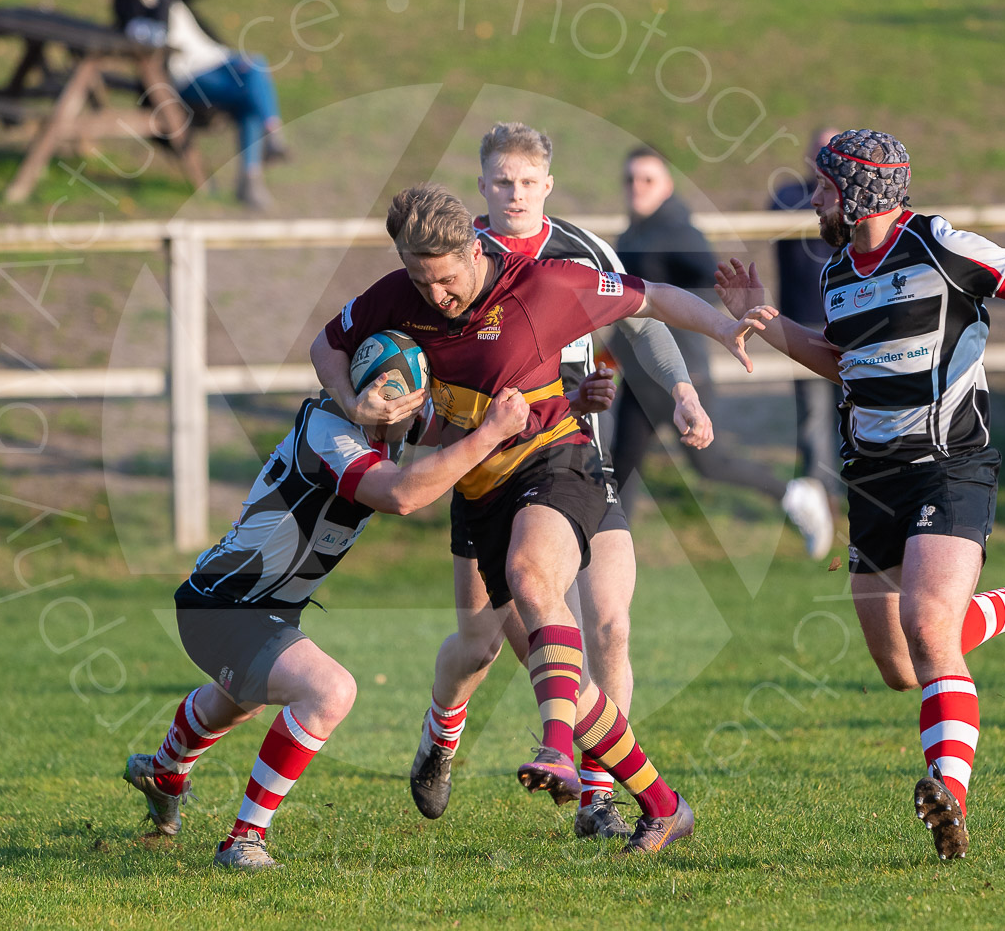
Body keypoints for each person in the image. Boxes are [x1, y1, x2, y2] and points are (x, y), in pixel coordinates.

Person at [310, 182, 772, 852]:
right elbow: (327, 344)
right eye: (420, 280)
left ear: (475, 252)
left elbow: (651, 297)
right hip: (480, 489)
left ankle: (557, 752)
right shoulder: (400, 294)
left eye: (445, 280)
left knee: (534, 579)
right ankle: (665, 806)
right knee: (548, 666)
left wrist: (725, 328)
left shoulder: (545, 286)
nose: (435, 296)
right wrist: (355, 403)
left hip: (558, 460)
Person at [715, 128, 1005, 860]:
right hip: (872, 479)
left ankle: (949, 797)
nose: (814, 200)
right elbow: (842, 362)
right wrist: (766, 317)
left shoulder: (941, 244)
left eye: (825, 187)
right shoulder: (838, 273)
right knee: (902, 667)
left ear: (860, 194)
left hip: (949, 463)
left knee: (930, 626)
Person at [407, 123, 712, 840]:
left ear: (548, 184)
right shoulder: (455, 263)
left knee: (609, 626)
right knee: (480, 646)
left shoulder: (582, 252)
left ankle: (597, 797)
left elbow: (642, 320)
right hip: (487, 477)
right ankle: (441, 735)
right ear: (482, 185)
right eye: (502, 182)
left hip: (574, 462)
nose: (515, 194)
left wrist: (683, 391)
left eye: (527, 182)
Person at [121, 348, 532, 869]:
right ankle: (243, 840)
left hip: (264, 608)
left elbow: (452, 424)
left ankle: (163, 772)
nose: (400, 411)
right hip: (222, 605)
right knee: (329, 691)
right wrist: (490, 434)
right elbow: (401, 495)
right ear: (360, 390)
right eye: (386, 397)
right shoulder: (328, 430)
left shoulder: (395, 421)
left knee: (242, 700)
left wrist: (562, 407)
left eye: (406, 401)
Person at [612, 146, 834, 559]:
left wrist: (686, 311)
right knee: (622, 467)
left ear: (667, 185)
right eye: (630, 179)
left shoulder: (677, 230)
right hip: (641, 373)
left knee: (709, 464)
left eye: (647, 180)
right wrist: (612, 352)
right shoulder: (634, 232)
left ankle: (796, 494)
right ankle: (605, 558)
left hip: (681, 372)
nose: (637, 187)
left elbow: (709, 280)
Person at [112, 0, 287, 208]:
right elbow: (156, 36)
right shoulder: (131, 4)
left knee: (255, 64)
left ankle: (271, 137)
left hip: (215, 57)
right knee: (248, 99)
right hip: (185, 75)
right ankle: (256, 169)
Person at [770, 128, 846, 499]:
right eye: (821, 150)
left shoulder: (857, 200)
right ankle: (821, 493)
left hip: (853, 318)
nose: (827, 157)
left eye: (835, 150)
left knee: (859, 406)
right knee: (814, 414)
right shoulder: (789, 196)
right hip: (805, 320)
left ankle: (862, 486)